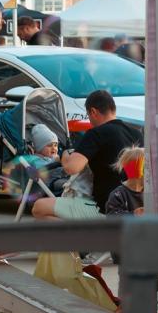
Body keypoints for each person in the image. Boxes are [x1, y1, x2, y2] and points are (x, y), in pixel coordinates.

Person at [30, 90, 140, 219]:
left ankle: (84, 231)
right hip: (134, 208)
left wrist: (65, 155)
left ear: (93, 112)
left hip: (106, 209)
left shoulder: (97, 133)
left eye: (88, 115)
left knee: (39, 207)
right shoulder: (137, 134)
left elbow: (71, 168)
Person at [104, 146, 146, 216]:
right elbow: (112, 216)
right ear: (138, 172)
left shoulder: (151, 193)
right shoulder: (119, 194)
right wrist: (133, 214)